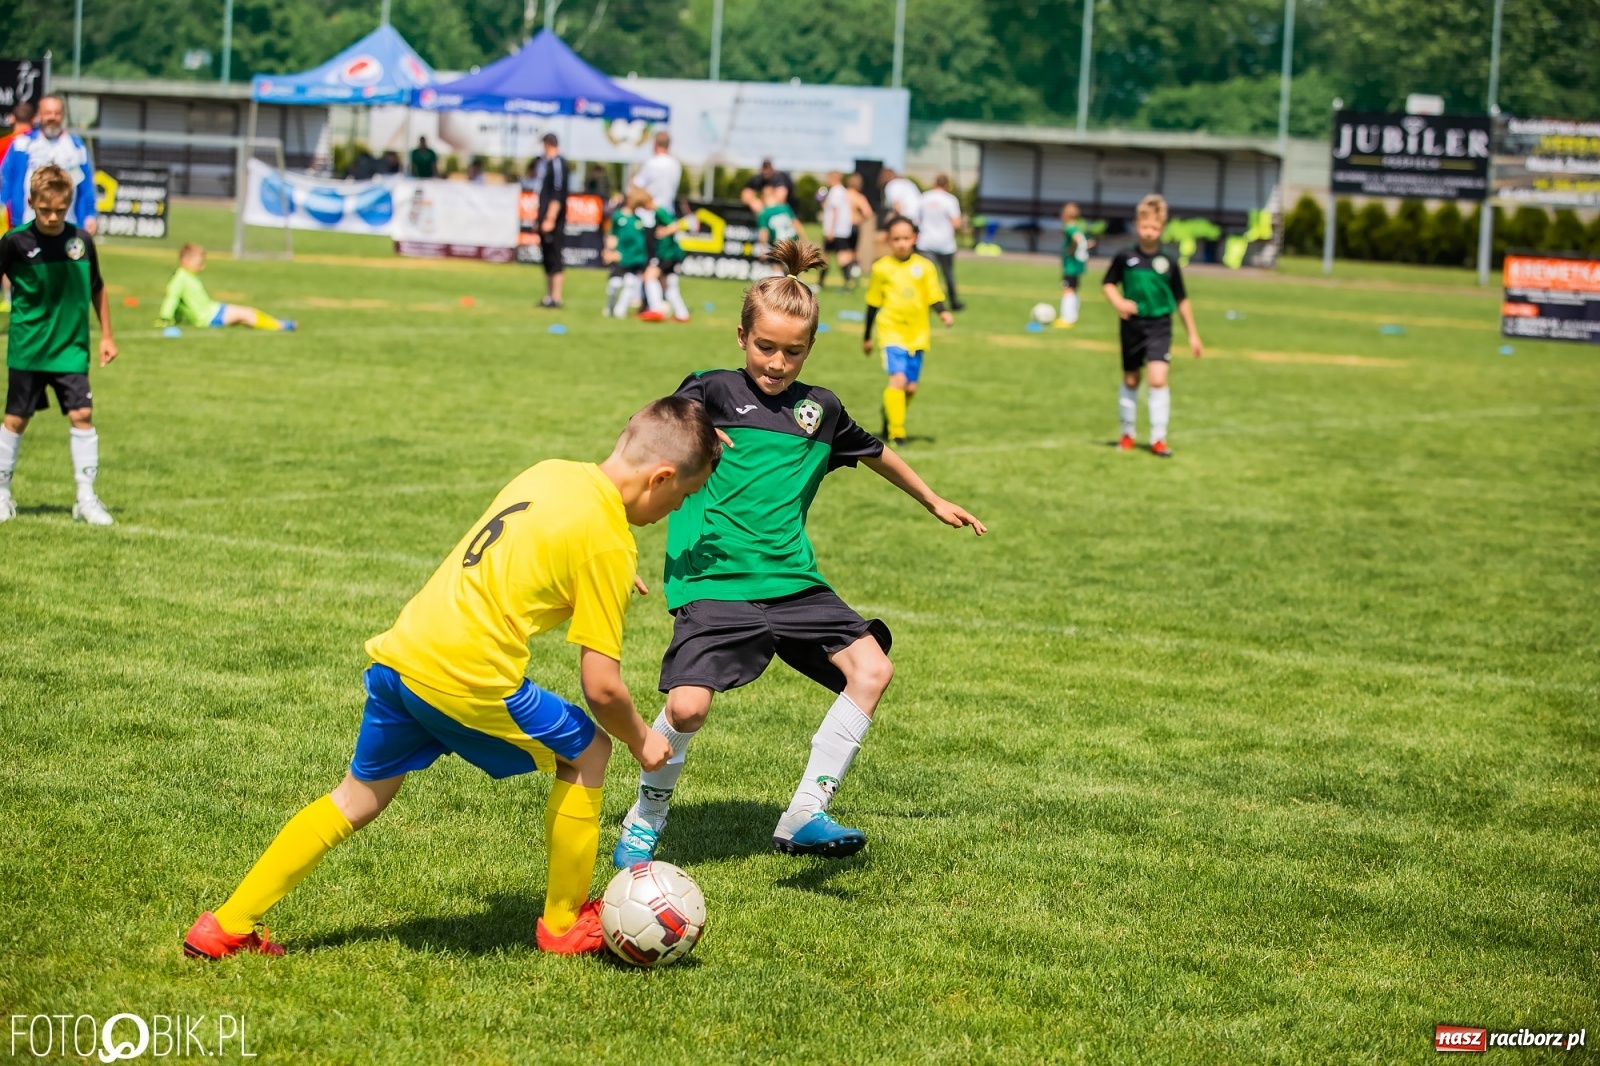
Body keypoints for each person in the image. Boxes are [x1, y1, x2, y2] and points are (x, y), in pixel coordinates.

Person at [182, 397, 720, 961]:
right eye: (681, 496)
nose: (674, 510)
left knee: (356, 797)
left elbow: (538, 542)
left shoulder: (551, 472)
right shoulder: (608, 543)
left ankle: (225, 925)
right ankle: (563, 925)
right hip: (466, 678)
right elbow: (603, 687)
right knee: (590, 750)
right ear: (661, 477)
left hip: (403, 655)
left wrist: (607, 563)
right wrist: (643, 740)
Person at [610, 239, 985, 868]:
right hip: (716, 578)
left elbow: (875, 452)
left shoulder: (822, 410)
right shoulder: (709, 392)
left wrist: (932, 498)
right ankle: (648, 812)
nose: (777, 363)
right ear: (741, 337)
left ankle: (805, 811)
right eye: (766, 347)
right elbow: (648, 451)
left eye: (793, 351)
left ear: (809, 348)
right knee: (686, 706)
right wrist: (620, 540)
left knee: (872, 670)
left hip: (791, 579)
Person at [0, 165, 118, 526]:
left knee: (83, 416)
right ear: (32, 202)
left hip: (71, 349)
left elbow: (97, 287)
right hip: (29, 348)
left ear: (69, 205)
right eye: (45, 210)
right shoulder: (15, 242)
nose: (52, 217)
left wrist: (108, 336)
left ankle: (86, 498)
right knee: (16, 420)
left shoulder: (81, 242)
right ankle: (2, 494)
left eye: (60, 210)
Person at [1101, 194, 1203, 458]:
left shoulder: (1168, 262)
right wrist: (1118, 302)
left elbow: (1182, 299)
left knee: (1158, 379)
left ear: (1162, 228)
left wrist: (1193, 334)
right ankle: (1127, 434)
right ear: (1136, 225)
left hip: (1160, 325)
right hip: (1132, 325)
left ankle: (1159, 438)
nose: (1149, 232)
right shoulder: (1125, 257)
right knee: (1132, 379)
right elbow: (1108, 283)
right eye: (1145, 226)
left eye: (1155, 228)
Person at [863, 216, 952, 447]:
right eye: (896, 239)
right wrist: (866, 337)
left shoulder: (925, 267)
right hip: (891, 331)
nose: (901, 243)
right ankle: (896, 432)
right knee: (898, 379)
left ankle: (890, 412)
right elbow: (873, 303)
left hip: (918, 334)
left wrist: (942, 312)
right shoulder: (881, 268)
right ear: (889, 240)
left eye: (906, 238)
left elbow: (933, 295)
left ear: (915, 238)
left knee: (910, 387)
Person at [1, 96, 97, 239]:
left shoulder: (76, 146)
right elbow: (5, 179)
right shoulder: (22, 144)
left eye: (57, 113)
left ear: (62, 115)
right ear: (39, 115)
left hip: (67, 226)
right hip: (26, 224)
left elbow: (86, 185)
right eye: (48, 113)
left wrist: (90, 215)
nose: (52, 117)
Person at [157, 244, 297, 332]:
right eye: (199, 263)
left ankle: (278, 324)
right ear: (186, 261)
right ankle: (281, 326)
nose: (203, 267)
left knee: (248, 313)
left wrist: (176, 319)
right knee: (247, 314)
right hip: (208, 317)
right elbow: (172, 298)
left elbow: (183, 304)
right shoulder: (180, 279)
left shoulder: (189, 276)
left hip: (213, 309)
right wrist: (165, 318)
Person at [0, 100, 35, 313]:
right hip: (31, 208)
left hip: (7, 209)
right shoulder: (37, 142)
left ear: (12, 118)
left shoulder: (6, 144)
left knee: (7, 252)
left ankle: (7, 298)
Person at [530, 134, 569, 309]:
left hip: (553, 221)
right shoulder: (546, 164)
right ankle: (548, 296)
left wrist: (550, 218)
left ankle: (556, 297)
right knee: (547, 259)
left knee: (555, 257)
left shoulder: (558, 164)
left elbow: (557, 194)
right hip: (544, 218)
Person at [916, 174, 964, 312]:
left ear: (934, 183)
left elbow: (916, 219)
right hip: (945, 243)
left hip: (925, 242)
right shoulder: (950, 200)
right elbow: (956, 223)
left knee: (925, 274)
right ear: (948, 185)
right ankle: (953, 302)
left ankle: (924, 301)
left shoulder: (924, 197)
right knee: (948, 274)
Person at [603, 188, 652, 318]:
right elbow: (612, 235)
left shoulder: (639, 220)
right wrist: (609, 251)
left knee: (631, 283)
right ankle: (610, 306)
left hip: (635, 257)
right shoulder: (619, 216)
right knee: (615, 284)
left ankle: (620, 310)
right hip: (620, 255)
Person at [1056, 202, 1093, 328]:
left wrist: (1072, 248)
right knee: (1074, 290)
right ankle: (1073, 316)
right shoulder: (1080, 226)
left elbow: (1077, 238)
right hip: (1078, 264)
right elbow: (1089, 241)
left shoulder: (1070, 227)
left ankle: (1067, 318)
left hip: (1071, 265)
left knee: (1068, 290)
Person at [631, 131, 682, 217]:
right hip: (667, 211)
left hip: (649, 214)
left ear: (655, 144)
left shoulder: (652, 163)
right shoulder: (676, 164)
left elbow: (637, 184)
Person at [820, 171, 857, 291]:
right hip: (841, 230)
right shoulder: (842, 191)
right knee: (835, 255)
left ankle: (845, 283)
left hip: (835, 230)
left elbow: (835, 211)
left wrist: (831, 229)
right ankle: (847, 282)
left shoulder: (836, 191)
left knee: (832, 256)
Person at [756, 183, 804, 262]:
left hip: (780, 245)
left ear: (763, 197)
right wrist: (804, 241)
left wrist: (762, 250)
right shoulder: (785, 207)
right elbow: (796, 224)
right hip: (793, 242)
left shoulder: (764, 213)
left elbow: (764, 233)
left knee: (778, 267)